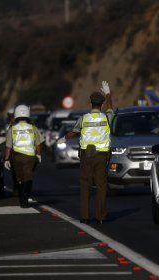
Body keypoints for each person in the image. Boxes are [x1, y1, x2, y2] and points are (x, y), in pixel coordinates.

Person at [57, 81, 113, 224]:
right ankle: (100, 217)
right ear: (101, 105)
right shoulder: (107, 118)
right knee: (101, 187)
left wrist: (62, 139)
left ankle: (85, 217)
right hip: (101, 156)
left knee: (85, 185)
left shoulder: (83, 119)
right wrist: (108, 93)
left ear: (90, 104)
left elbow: (72, 132)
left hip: (86, 156)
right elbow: (111, 107)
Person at [4, 105, 44, 208]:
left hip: (17, 157)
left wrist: (6, 159)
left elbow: (8, 146)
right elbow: (38, 143)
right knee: (28, 178)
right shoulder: (33, 128)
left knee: (20, 179)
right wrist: (39, 154)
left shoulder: (12, 129)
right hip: (30, 157)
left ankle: (22, 198)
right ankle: (24, 200)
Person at [6, 107, 20, 197]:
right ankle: (17, 188)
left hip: (20, 149)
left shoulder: (18, 124)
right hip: (14, 151)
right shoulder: (9, 125)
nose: (12, 117)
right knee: (14, 172)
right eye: (10, 116)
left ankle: (19, 188)